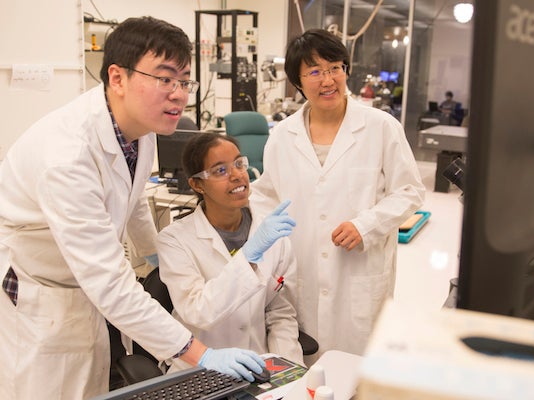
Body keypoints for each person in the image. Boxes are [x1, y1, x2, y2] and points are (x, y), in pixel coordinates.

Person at [0, 17, 264, 400]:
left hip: (82, 290)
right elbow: (110, 283)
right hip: (42, 291)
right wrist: (201, 354)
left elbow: (134, 197)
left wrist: (160, 256)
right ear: (118, 78)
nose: (178, 94)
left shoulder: (136, 129)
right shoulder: (68, 157)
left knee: (90, 385)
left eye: (184, 81)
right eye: (164, 78)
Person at [250, 28, 426, 363]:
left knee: (357, 371)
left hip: (358, 272)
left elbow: (410, 191)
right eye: (314, 72)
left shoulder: (380, 126)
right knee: (308, 371)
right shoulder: (283, 137)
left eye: (335, 68)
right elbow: (265, 198)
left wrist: (367, 224)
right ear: (298, 82)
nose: (328, 80)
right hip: (302, 274)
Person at [157, 132, 304, 373]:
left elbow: (280, 312)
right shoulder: (175, 241)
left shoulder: (271, 230)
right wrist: (248, 256)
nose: (237, 175)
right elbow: (198, 311)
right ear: (197, 184)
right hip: (200, 369)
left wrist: (288, 370)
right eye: (220, 171)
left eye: (238, 164)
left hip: (258, 364)